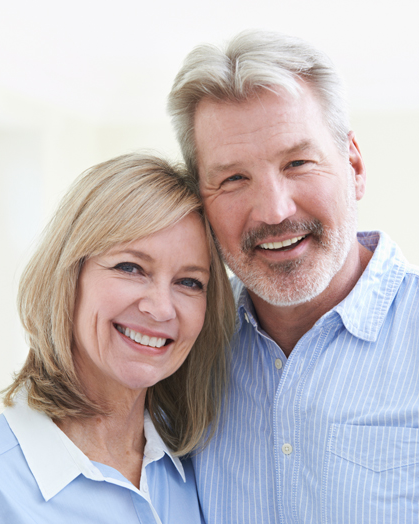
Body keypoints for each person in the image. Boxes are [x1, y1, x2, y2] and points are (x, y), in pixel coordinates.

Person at [168, 30, 419, 524]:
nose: (275, 210)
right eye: (234, 178)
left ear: (354, 165)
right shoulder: (183, 347)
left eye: (298, 162)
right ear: (201, 199)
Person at [0, 153, 235, 524]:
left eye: (189, 282)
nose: (161, 309)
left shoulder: (200, 467)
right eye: (131, 268)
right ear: (69, 276)